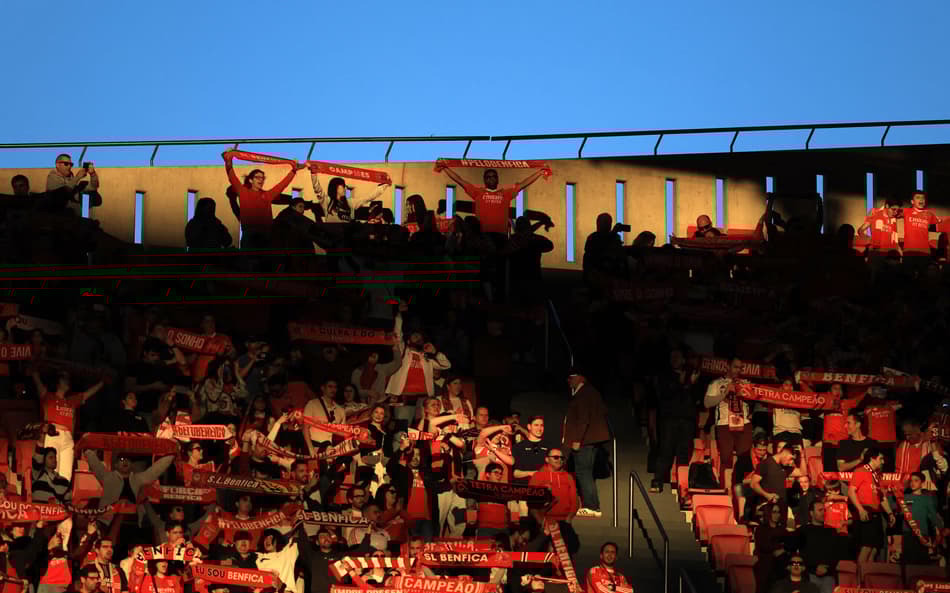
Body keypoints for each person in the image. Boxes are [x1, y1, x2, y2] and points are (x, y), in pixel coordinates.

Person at [434, 164, 549, 235]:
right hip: (482, 235)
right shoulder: (478, 192)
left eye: (494, 176)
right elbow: (459, 180)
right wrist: (445, 168)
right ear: (484, 180)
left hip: (501, 235)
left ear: (498, 180)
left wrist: (540, 172)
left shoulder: (505, 193)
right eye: (488, 177)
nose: (491, 179)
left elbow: (524, 184)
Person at [222, 150, 305, 248]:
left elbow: (282, 185)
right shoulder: (243, 192)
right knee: (250, 262)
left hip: (266, 236)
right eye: (258, 177)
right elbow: (232, 177)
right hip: (250, 237)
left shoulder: (268, 195)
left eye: (262, 178)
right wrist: (228, 161)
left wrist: (293, 171)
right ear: (250, 180)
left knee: (266, 262)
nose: (261, 180)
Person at [651, 346, 700, 493]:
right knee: (666, 450)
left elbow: (697, 398)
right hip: (669, 419)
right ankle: (657, 481)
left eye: (678, 357)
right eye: (672, 357)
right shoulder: (664, 375)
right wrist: (683, 383)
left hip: (687, 420)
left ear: (684, 359)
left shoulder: (692, 374)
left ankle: (682, 485)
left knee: (683, 453)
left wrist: (692, 383)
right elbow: (665, 394)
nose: (675, 360)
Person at [563, 368, 611, 518]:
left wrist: (577, 439)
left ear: (580, 378)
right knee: (585, 472)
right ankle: (593, 506)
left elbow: (583, 418)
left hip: (585, 441)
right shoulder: (590, 392)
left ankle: (591, 506)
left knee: (583, 472)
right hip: (590, 440)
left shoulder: (585, 393)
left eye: (571, 377)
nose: (568, 380)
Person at [704, 358, 753, 488]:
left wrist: (746, 394)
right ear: (728, 366)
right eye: (735, 367)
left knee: (745, 459)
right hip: (724, 423)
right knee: (726, 458)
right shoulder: (716, 383)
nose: (738, 370)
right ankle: (725, 488)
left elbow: (756, 400)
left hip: (744, 423)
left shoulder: (746, 383)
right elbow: (707, 403)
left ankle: (741, 489)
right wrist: (725, 393)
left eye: (740, 368)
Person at [849, 448, 896, 565]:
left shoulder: (876, 475)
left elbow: (882, 497)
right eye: (881, 459)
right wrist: (860, 509)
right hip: (866, 511)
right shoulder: (860, 471)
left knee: (874, 549)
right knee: (867, 548)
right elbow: (851, 491)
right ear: (872, 459)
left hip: (876, 514)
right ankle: (859, 580)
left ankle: (868, 581)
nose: (883, 462)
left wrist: (890, 513)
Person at [308, 173, 389, 223]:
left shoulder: (351, 203)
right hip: (333, 241)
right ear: (335, 187)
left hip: (347, 240)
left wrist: (385, 185)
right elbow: (317, 189)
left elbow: (368, 197)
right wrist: (313, 174)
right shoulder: (327, 201)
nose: (345, 188)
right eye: (343, 186)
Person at [797, 499, 839, 593]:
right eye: (820, 510)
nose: (823, 512)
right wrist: (814, 567)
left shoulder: (832, 531)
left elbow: (836, 554)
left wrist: (827, 568)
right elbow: (800, 554)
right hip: (809, 575)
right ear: (811, 513)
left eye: (824, 510)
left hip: (828, 576)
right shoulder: (803, 530)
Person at [902, 471, 942, 564]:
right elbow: (892, 506)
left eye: (916, 480)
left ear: (922, 483)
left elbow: (933, 516)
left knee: (921, 563)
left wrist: (939, 530)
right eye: (911, 481)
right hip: (908, 533)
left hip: (922, 534)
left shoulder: (927, 498)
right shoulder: (904, 497)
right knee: (908, 562)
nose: (912, 483)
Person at [529, 448, 578, 524]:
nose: (559, 460)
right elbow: (530, 501)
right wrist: (541, 521)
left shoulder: (568, 476)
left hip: (565, 520)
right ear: (547, 459)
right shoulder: (538, 475)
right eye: (556, 457)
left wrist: (569, 518)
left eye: (561, 458)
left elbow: (574, 499)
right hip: (545, 520)